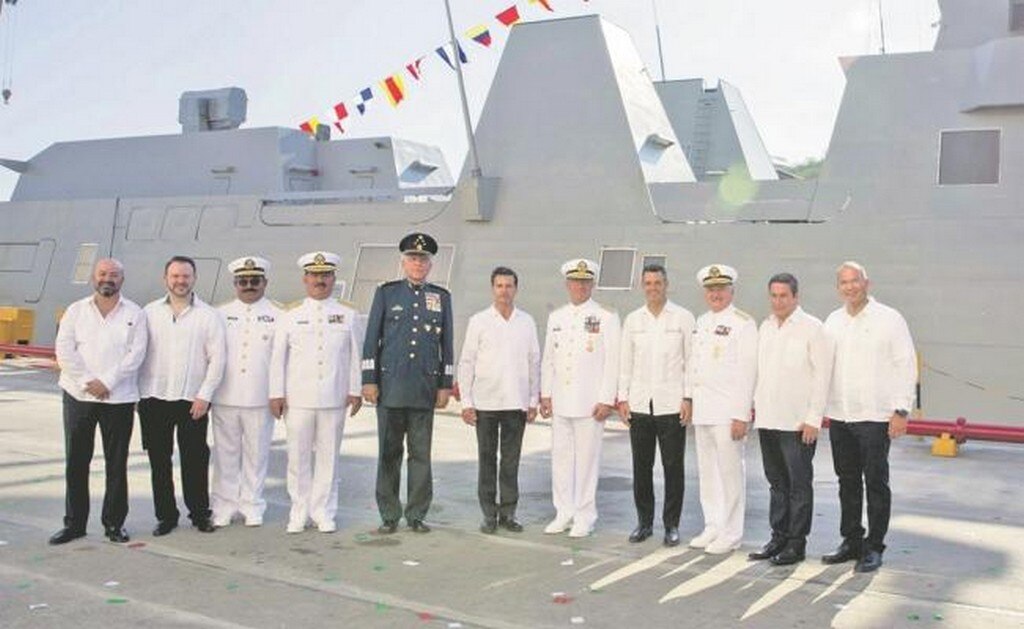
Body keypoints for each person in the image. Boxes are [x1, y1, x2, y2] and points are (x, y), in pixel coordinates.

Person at [822, 261, 916, 573]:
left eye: (855, 281)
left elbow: (905, 364)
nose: (850, 287)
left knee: (875, 481)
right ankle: (851, 540)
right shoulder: (833, 321)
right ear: (838, 288)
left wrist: (901, 410)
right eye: (844, 282)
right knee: (846, 481)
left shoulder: (889, 319)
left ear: (867, 283)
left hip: (875, 417)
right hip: (841, 415)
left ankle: (874, 546)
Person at [50, 258, 148, 544]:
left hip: (118, 398)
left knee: (116, 463)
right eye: (103, 273)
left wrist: (107, 382)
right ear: (94, 277)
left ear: (122, 279)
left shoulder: (135, 313)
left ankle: (114, 523)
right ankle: (74, 524)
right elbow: (64, 349)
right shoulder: (76, 310)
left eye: (114, 274)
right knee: (76, 460)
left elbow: (136, 354)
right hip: (78, 395)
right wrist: (87, 382)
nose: (108, 278)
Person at [362, 233, 453, 534]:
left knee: (420, 456)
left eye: (423, 260)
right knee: (389, 454)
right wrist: (369, 380)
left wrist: (445, 384)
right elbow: (371, 340)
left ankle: (416, 514)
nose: (418, 264)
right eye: (413, 258)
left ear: (430, 265)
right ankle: (389, 514)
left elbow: (447, 345)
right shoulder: (387, 294)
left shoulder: (441, 298)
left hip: (424, 388)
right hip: (390, 387)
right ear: (403, 262)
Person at [270, 251, 363, 533]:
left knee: (328, 459)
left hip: (334, 397)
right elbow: (278, 358)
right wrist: (276, 393)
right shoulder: (290, 315)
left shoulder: (348, 314)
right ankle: (298, 512)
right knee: (297, 458)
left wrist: (355, 389)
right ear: (305, 279)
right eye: (314, 275)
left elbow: (355, 355)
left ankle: (323, 511)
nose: (320, 280)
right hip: (298, 399)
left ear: (333, 278)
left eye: (325, 275)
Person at [137, 255, 226, 536]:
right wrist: (138, 394)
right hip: (154, 397)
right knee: (159, 461)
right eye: (175, 276)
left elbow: (218, 359)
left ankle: (199, 514)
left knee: (195, 460)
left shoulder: (209, 315)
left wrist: (205, 396)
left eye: (186, 276)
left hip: (192, 401)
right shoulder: (149, 313)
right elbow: (137, 352)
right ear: (166, 279)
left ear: (194, 278)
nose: (180, 281)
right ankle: (166, 516)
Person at [749, 273, 833, 565]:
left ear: (796, 297)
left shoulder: (813, 328)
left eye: (784, 295)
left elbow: (822, 377)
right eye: (773, 296)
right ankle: (778, 538)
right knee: (776, 483)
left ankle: (796, 544)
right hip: (768, 419)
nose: (778, 301)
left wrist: (814, 418)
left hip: (797, 423)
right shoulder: (765, 327)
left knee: (799, 485)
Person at [539, 258, 620, 538]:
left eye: (585, 282)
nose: (580, 286)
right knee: (561, 460)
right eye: (575, 281)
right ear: (567, 284)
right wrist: (546, 394)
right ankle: (563, 512)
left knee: (586, 462)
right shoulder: (557, 317)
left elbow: (613, 362)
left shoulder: (607, 316)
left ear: (592, 284)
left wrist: (607, 399)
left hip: (590, 403)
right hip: (561, 400)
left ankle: (585, 516)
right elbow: (549, 358)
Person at [458, 266, 541, 534]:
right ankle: (488, 515)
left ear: (516, 289)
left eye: (509, 286)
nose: (504, 291)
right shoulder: (479, 321)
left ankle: (508, 513)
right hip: (485, 404)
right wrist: (466, 402)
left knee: (510, 462)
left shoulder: (526, 321)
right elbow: (467, 362)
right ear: (492, 288)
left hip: (516, 404)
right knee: (487, 460)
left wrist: (533, 400)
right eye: (499, 286)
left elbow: (534, 362)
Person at [617, 263, 695, 547]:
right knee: (641, 467)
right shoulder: (633, 320)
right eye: (648, 283)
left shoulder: (683, 318)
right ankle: (644, 523)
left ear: (666, 285)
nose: (653, 288)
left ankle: (671, 525)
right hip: (640, 403)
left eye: (658, 283)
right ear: (642, 286)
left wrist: (688, 397)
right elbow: (625, 362)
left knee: (673, 467)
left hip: (671, 404)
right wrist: (622, 397)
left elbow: (691, 361)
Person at [684, 264, 757, 554]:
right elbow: (694, 365)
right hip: (703, 410)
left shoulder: (743, 323)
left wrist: (741, 414)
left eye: (721, 289)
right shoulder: (701, 321)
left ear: (732, 291)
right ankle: (712, 525)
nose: (716, 294)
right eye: (711, 289)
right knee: (708, 473)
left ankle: (731, 532)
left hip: (728, 412)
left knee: (730, 474)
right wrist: (689, 399)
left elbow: (747, 372)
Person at [210, 256, 281, 528]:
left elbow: (281, 360)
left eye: (254, 281)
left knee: (257, 455)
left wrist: (278, 394)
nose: (249, 285)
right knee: (225, 455)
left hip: (260, 397)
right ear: (235, 283)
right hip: (225, 396)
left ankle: (252, 504)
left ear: (265, 282)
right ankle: (224, 505)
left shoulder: (279, 314)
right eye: (243, 281)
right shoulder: (219, 313)